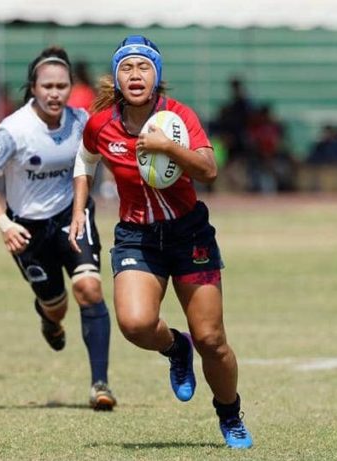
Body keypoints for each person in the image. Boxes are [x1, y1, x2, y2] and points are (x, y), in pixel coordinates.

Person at [69, 35, 253, 448]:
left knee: (212, 339)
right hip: (137, 236)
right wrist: (79, 206)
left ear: (158, 76)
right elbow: (85, 159)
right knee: (134, 324)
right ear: (117, 78)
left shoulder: (178, 116)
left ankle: (229, 413)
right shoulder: (101, 123)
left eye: (144, 67)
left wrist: (167, 146)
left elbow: (208, 169)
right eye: (127, 68)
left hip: (188, 233)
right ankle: (175, 348)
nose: (136, 75)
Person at [0, 46, 116, 410]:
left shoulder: (81, 121)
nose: (55, 93)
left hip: (73, 217)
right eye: (47, 86)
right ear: (33, 88)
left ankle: (100, 384)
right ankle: (49, 320)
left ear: (71, 88)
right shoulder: (13, 130)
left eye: (62, 86)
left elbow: (112, 151)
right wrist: (4, 223)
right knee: (56, 306)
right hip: (28, 230)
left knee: (89, 288)